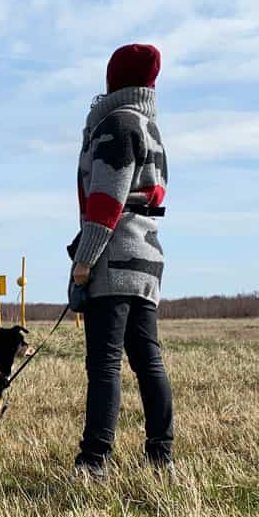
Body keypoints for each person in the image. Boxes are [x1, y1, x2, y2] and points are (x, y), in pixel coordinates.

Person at [69, 43, 175, 479]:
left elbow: (106, 203)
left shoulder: (117, 124)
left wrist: (84, 262)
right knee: (148, 361)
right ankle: (161, 456)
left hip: (114, 259)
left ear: (115, 77)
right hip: (148, 260)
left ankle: (94, 461)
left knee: (104, 365)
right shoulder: (150, 127)